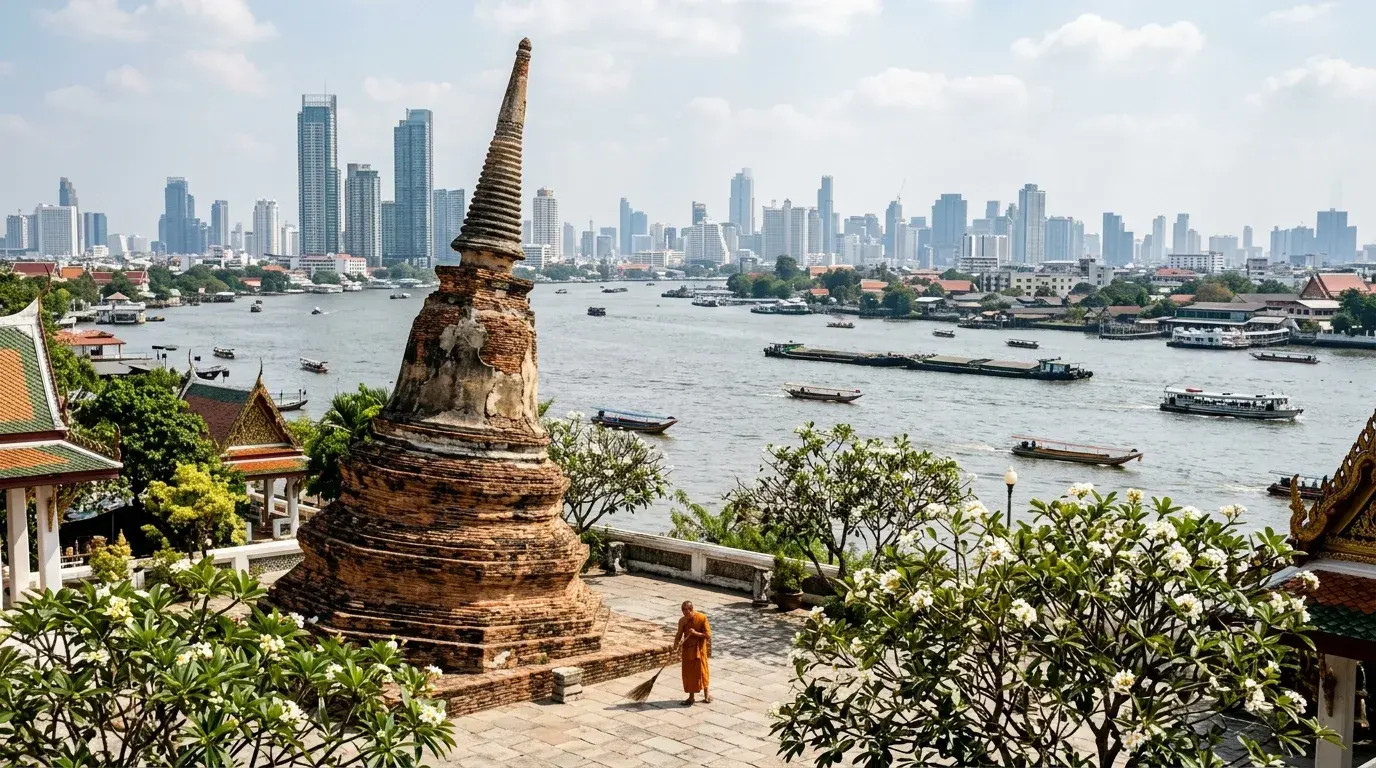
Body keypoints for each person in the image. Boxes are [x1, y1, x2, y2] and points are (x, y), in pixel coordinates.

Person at [673, 600, 711, 705]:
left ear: (691, 609)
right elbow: (679, 633)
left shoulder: (702, 618)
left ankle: (707, 696)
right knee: (689, 674)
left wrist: (695, 633)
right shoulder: (682, 621)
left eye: (687, 612)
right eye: (683, 612)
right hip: (687, 650)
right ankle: (691, 697)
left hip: (699, 650)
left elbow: (707, 635)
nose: (685, 615)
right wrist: (675, 644)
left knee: (702, 672)